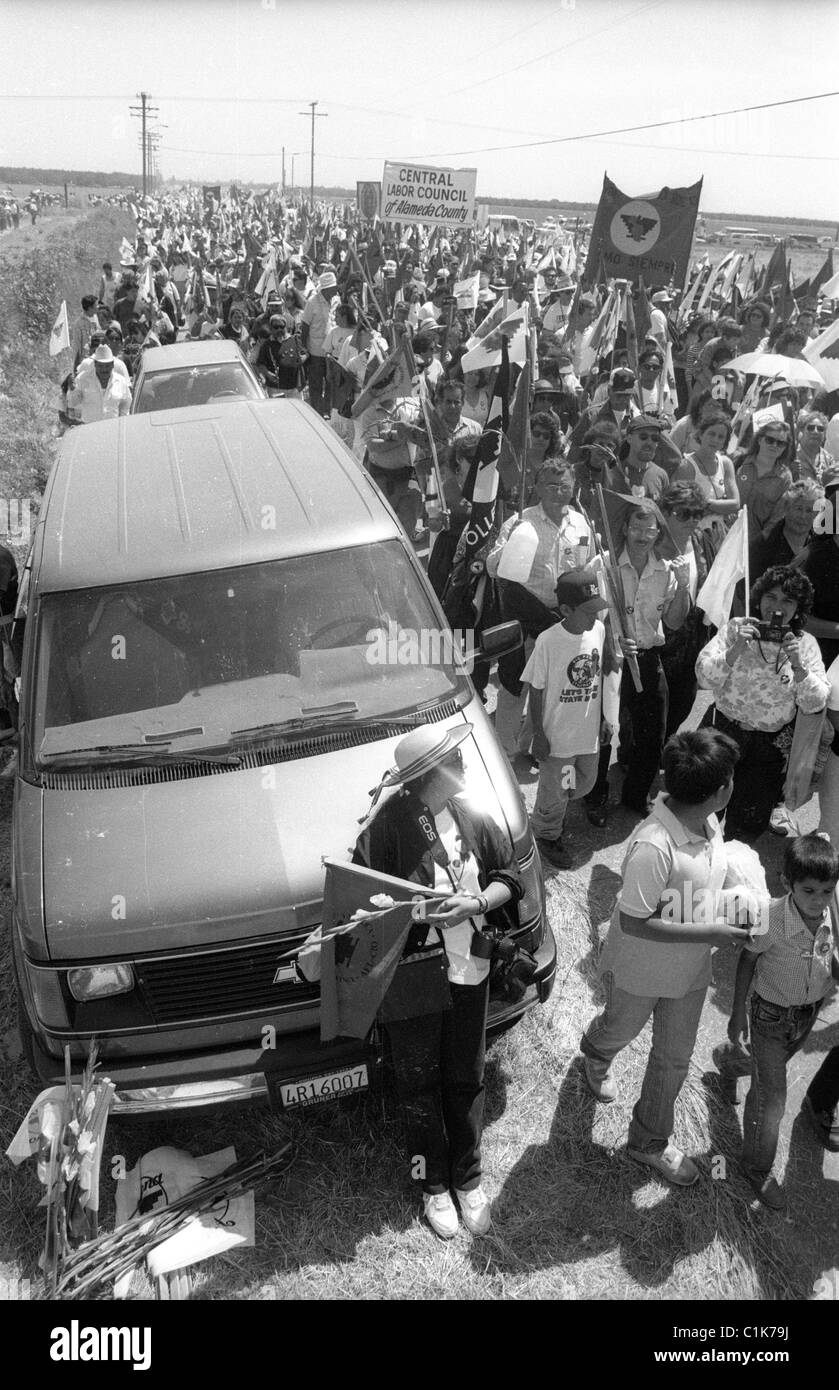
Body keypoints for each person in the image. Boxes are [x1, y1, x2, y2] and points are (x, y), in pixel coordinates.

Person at [352, 724, 523, 1239]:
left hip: (471, 968)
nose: (466, 767)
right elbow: (364, 905)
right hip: (413, 978)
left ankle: (468, 1179)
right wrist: (419, 914)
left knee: (465, 1074)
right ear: (429, 776)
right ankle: (432, 1184)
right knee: (417, 1081)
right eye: (456, 761)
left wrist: (475, 903)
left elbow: (508, 876)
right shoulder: (384, 831)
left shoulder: (472, 815)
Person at [580, 728, 749, 1185]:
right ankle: (595, 1053)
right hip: (640, 971)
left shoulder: (711, 821)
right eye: (731, 777)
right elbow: (635, 920)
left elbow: (706, 876)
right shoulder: (654, 847)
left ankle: (648, 1141)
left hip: (690, 973)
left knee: (673, 1058)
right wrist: (711, 930)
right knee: (621, 1029)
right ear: (718, 790)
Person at [726, 834, 839, 1209]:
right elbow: (747, 959)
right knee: (771, 1099)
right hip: (769, 1018)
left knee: (764, 1073)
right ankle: (756, 1168)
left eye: (827, 890)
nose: (819, 899)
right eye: (809, 890)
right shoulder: (772, 918)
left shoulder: (831, 916)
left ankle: (727, 1062)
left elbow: (830, 958)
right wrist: (737, 1011)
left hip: (805, 1017)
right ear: (786, 883)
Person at [695, 565, 829, 840]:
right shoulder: (736, 628)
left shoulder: (805, 644)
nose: (776, 606)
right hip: (722, 732)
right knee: (700, 812)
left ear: (798, 607)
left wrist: (798, 666)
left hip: (769, 746)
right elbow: (703, 677)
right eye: (771, 596)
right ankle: (695, 872)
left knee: (747, 823)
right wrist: (734, 651)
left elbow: (815, 703)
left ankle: (732, 876)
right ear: (759, 597)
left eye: (788, 600)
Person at [522, 569, 610, 868]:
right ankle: (546, 834)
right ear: (566, 610)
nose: (594, 617)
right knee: (556, 788)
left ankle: (552, 811)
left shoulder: (598, 630)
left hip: (587, 735)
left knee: (583, 784)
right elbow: (535, 689)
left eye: (597, 609)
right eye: (587, 612)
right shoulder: (549, 641)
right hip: (557, 738)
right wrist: (539, 735)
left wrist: (607, 719)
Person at [611, 500, 691, 813]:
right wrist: (614, 643)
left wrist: (683, 586)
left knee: (653, 735)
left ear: (658, 533)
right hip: (612, 659)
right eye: (637, 528)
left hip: (647, 657)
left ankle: (636, 795)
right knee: (603, 731)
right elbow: (592, 618)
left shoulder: (666, 571)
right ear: (624, 529)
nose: (643, 535)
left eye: (650, 529)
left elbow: (673, 622)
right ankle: (596, 796)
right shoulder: (605, 566)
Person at [657, 481, 714, 739]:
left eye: (697, 513)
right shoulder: (652, 545)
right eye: (683, 513)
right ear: (665, 513)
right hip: (661, 638)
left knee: (684, 704)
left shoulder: (700, 540)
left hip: (693, 637)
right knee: (655, 706)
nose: (691, 520)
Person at [672, 410, 739, 549]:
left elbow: (735, 504)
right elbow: (686, 508)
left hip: (720, 537)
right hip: (693, 538)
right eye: (711, 434)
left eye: (721, 437)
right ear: (701, 434)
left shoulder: (726, 464)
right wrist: (721, 506)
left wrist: (705, 503)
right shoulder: (687, 466)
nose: (715, 440)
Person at [733, 422, 795, 539]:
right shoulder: (738, 461)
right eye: (770, 440)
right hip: (724, 533)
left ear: (785, 448)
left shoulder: (785, 478)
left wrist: (758, 543)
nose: (774, 445)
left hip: (752, 542)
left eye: (781, 443)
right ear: (759, 440)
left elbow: (776, 518)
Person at [300, 270, 339, 416]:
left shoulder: (336, 300)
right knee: (316, 384)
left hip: (333, 351)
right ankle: (316, 412)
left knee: (331, 384)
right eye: (332, 288)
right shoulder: (312, 302)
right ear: (325, 289)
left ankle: (328, 412)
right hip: (316, 351)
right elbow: (305, 326)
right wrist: (304, 349)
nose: (335, 290)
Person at [607, 415, 671, 500]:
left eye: (655, 438)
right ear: (629, 438)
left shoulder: (661, 476)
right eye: (643, 437)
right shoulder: (613, 475)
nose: (649, 442)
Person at [66, 344, 131, 424]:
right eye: (101, 366)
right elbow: (72, 403)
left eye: (107, 366)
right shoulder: (82, 379)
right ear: (95, 364)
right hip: (90, 429)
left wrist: (122, 422)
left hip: (113, 430)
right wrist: (73, 390)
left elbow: (126, 404)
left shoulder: (121, 381)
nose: (104, 370)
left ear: (112, 365)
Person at [794, 410, 835, 484]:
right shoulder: (792, 455)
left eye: (820, 429)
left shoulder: (829, 459)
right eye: (810, 428)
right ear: (802, 430)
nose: (816, 432)